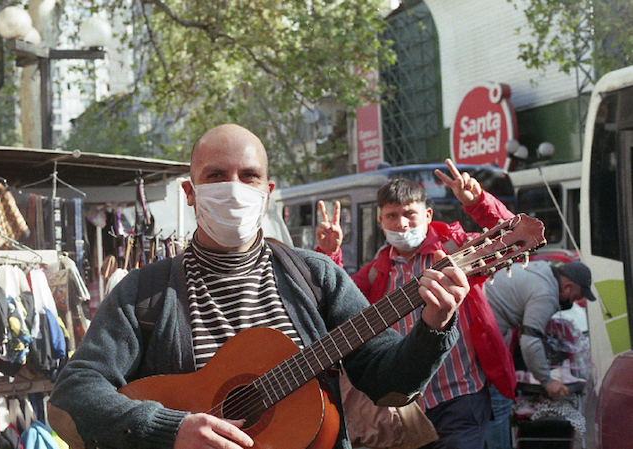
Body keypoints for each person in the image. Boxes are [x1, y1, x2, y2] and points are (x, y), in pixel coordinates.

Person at [47, 124, 471, 449]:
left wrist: (434, 326)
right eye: (216, 175)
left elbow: (386, 382)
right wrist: (169, 429)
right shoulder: (143, 292)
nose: (233, 188)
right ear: (190, 193)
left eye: (248, 176)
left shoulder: (317, 276)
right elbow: (74, 391)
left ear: (267, 192)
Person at [316, 160, 517, 449]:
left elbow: (514, 237)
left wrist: (478, 203)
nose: (402, 223)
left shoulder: (456, 251)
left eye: (410, 214)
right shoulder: (375, 272)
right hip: (407, 409)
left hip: (461, 396)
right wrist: (329, 255)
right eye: (392, 216)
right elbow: (335, 307)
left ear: (428, 214)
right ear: (381, 221)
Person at [483, 259, 596, 449]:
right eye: (575, 297)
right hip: (482, 328)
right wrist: (547, 381)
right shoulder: (547, 294)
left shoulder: (542, 269)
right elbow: (530, 341)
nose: (575, 302)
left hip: (481, 319)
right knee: (499, 402)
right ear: (567, 286)